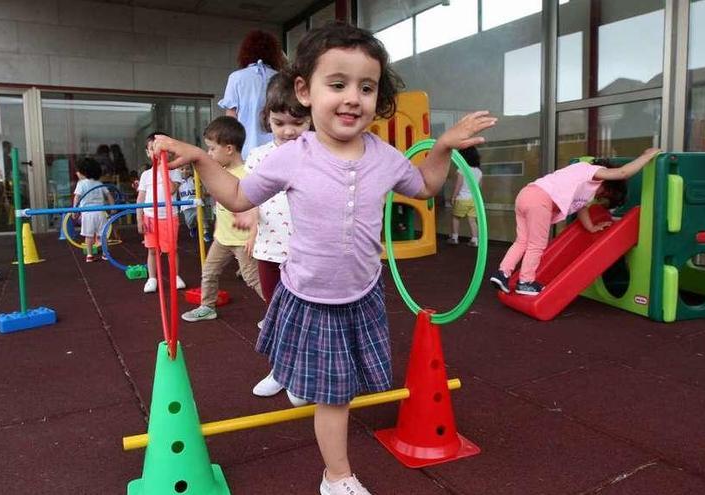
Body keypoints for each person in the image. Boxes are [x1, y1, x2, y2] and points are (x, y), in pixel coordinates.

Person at [153, 21, 497, 495]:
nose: (353, 97)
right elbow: (235, 195)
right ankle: (337, 477)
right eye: (337, 84)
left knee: (344, 387)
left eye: (366, 87)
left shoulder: (384, 156)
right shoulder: (293, 155)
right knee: (333, 397)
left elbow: (425, 186)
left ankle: (304, 388)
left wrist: (440, 147)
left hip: (361, 293)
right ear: (305, 90)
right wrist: (200, 157)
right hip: (310, 294)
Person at [489, 147, 661, 296]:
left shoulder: (580, 184)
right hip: (540, 199)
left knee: (522, 241)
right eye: (603, 195)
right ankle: (526, 282)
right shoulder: (592, 171)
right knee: (537, 244)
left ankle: (502, 273)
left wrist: (592, 228)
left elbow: (582, 208)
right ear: (607, 184)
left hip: (526, 194)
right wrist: (647, 156)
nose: (598, 197)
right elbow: (622, 173)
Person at [244, 72, 312, 407]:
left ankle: (302, 374)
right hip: (270, 248)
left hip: (307, 253)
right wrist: (248, 216)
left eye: (297, 123)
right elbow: (248, 196)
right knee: (275, 313)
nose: (287, 131)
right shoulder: (257, 156)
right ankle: (281, 370)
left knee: (307, 316)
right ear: (266, 120)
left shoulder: (319, 153)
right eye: (278, 122)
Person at [181, 116, 264, 323]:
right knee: (208, 272)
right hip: (223, 238)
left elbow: (257, 208)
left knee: (253, 278)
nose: (209, 153)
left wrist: (253, 236)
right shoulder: (223, 173)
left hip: (242, 240)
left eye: (211, 149)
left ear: (229, 149)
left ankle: (279, 314)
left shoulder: (245, 174)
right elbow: (221, 208)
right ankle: (207, 306)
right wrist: (218, 227)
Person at [219, 30, 285, 159]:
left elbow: (231, 121)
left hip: (245, 149)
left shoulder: (236, 77)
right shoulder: (281, 78)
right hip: (277, 147)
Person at [136, 132, 186, 294]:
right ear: (148, 152)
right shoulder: (145, 175)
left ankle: (175, 275)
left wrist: (163, 169)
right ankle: (152, 278)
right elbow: (140, 199)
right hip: (150, 217)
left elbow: (171, 190)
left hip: (169, 217)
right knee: (152, 249)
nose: (156, 152)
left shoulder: (174, 172)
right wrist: (139, 219)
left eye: (160, 149)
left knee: (171, 249)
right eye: (152, 149)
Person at [73, 157, 114, 262]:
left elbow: (77, 197)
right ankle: (105, 254)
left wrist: (75, 211)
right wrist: (113, 207)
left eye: (78, 171)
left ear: (83, 172)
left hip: (87, 213)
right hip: (100, 212)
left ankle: (90, 255)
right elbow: (108, 195)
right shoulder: (99, 183)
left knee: (89, 235)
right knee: (102, 234)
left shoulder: (81, 184)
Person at [447, 146, 483, 247]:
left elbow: (458, 185)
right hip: (473, 200)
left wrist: (453, 197)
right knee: (472, 220)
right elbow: (479, 187)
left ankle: (454, 238)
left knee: (456, 218)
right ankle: (475, 240)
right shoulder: (479, 171)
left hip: (462, 198)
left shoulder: (462, 170)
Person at [177, 165, 211, 241]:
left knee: (202, 219)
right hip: (186, 206)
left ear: (191, 170)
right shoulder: (178, 182)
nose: (185, 171)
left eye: (187, 169)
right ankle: (193, 227)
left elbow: (201, 189)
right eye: (182, 169)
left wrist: (203, 197)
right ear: (178, 171)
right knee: (189, 222)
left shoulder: (194, 179)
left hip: (197, 204)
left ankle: (205, 232)